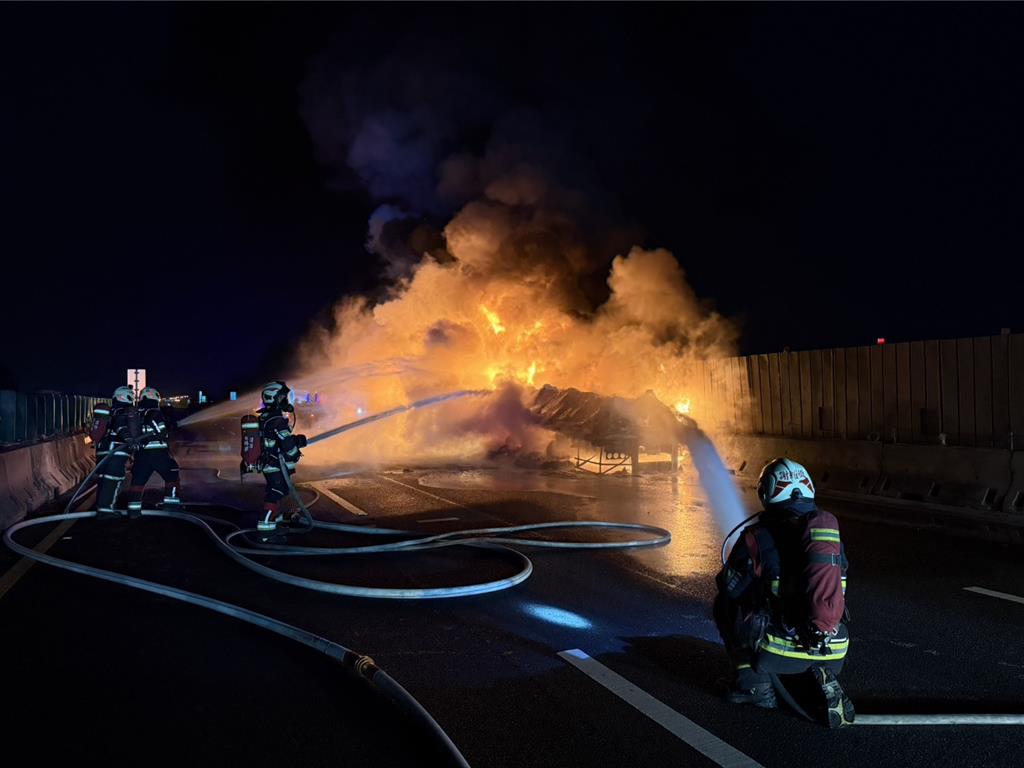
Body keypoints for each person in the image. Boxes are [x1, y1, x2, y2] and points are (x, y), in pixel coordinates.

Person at [713, 457, 854, 727]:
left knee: (724, 606)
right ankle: (820, 674)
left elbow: (729, 589)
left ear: (766, 492)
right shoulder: (827, 537)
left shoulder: (757, 536)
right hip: (834, 646)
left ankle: (753, 687)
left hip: (778, 648)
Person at [247, 381, 306, 533]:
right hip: (274, 464)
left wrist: (295, 440)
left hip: (269, 463)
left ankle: (275, 518)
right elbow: (288, 446)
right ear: (272, 398)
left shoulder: (266, 417)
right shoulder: (276, 420)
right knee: (276, 492)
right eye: (282, 398)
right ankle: (265, 526)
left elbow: (277, 440)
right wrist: (297, 447)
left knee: (278, 490)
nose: (285, 401)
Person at [125, 386, 181, 517]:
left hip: (141, 456)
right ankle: (171, 507)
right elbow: (161, 432)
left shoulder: (138, 413)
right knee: (172, 475)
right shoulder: (154, 413)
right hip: (158, 454)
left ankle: (133, 511)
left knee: (137, 483)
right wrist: (169, 427)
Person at [90, 386, 140, 517]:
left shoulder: (111, 411)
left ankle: (101, 507)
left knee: (104, 480)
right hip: (116, 451)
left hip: (102, 450)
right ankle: (106, 511)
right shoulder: (122, 411)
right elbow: (120, 425)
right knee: (113, 479)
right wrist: (129, 439)